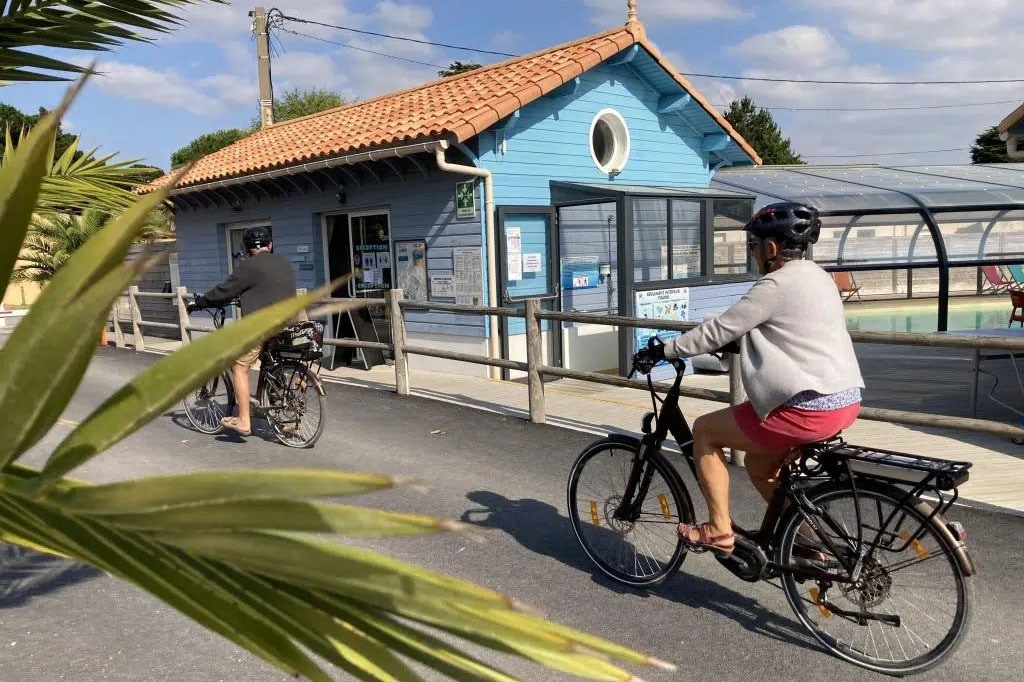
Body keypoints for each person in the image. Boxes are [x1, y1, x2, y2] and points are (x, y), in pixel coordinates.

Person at [637, 202, 864, 557]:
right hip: (843, 402)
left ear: (771, 249)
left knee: (706, 431)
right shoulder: (817, 277)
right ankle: (800, 537)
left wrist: (664, 351)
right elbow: (792, 334)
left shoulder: (774, 284)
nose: (753, 254)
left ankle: (718, 529)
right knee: (759, 464)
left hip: (804, 409)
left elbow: (718, 330)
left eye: (753, 247)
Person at [188, 226, 297, 436]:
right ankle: (296, 390)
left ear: (247, 249)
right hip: (288, 324)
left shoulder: (249, 266)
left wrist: (201, 302)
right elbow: (269, 289)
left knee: (240, 367)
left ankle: (244, 421)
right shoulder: (283, 263)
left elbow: (224, 290)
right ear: (270, 245)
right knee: (271, 363)